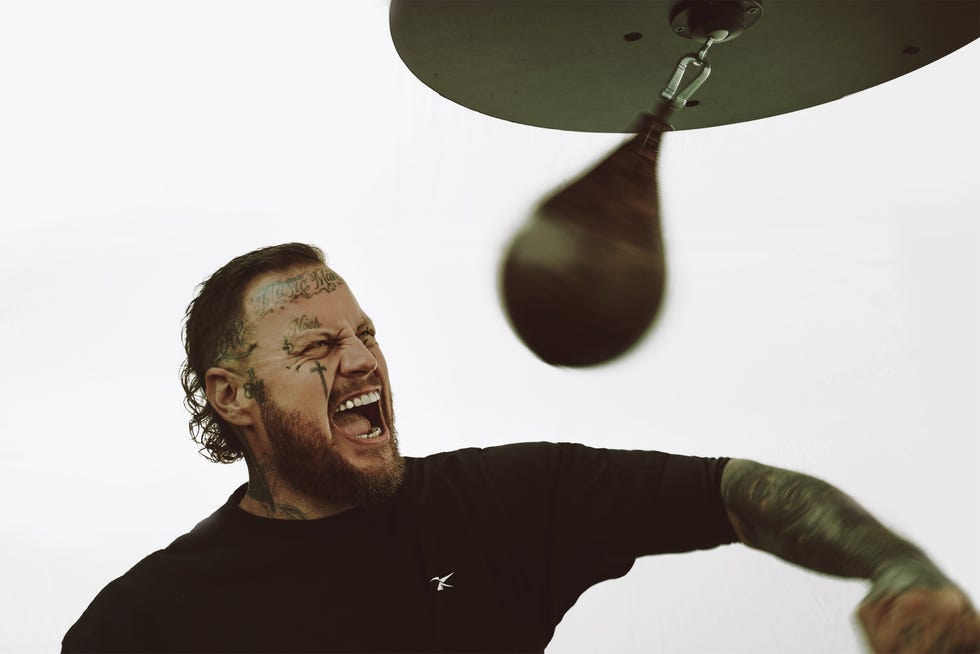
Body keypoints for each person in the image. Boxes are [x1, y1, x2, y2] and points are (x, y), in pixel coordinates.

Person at [62, 243, 979, 653]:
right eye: (314, 345)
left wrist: (896, 564)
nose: (359, 358)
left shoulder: (502, 503)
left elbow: (736, 492)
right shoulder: (144, 626)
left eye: (366, 332)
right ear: (234, 399)